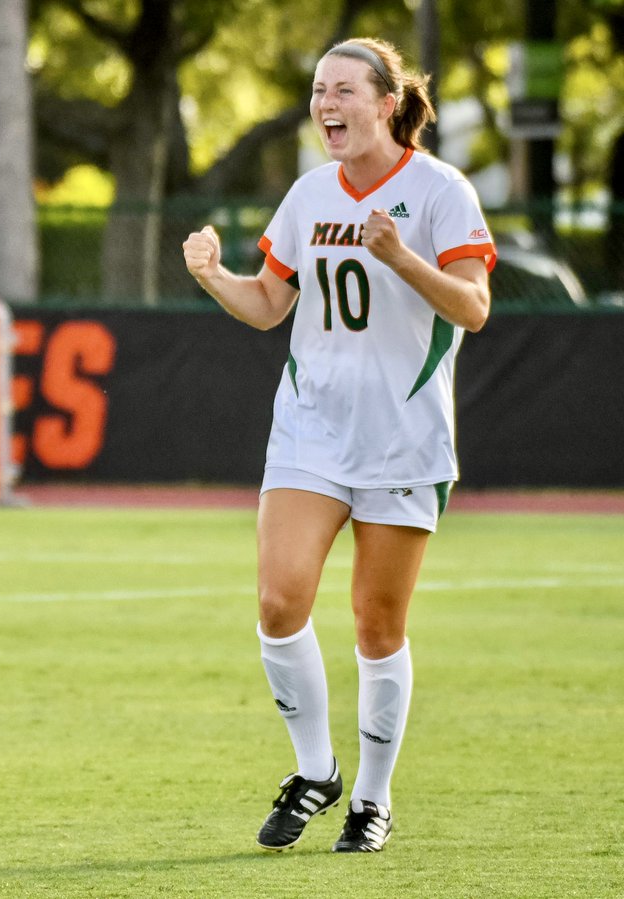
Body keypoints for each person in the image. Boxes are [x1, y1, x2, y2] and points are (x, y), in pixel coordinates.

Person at [183, 38, 494, 853]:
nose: (328, 103)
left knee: (376, 625)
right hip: (310, 430)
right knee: (280, 601)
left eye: (345, 89)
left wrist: (402, 259)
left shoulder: (439, 192)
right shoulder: (308, 194)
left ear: (387, 102)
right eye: (320, 90)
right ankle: (315, 769)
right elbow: (268, 305)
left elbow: (473, 308)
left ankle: (371, 798)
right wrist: (215, 275)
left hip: (404, 441)